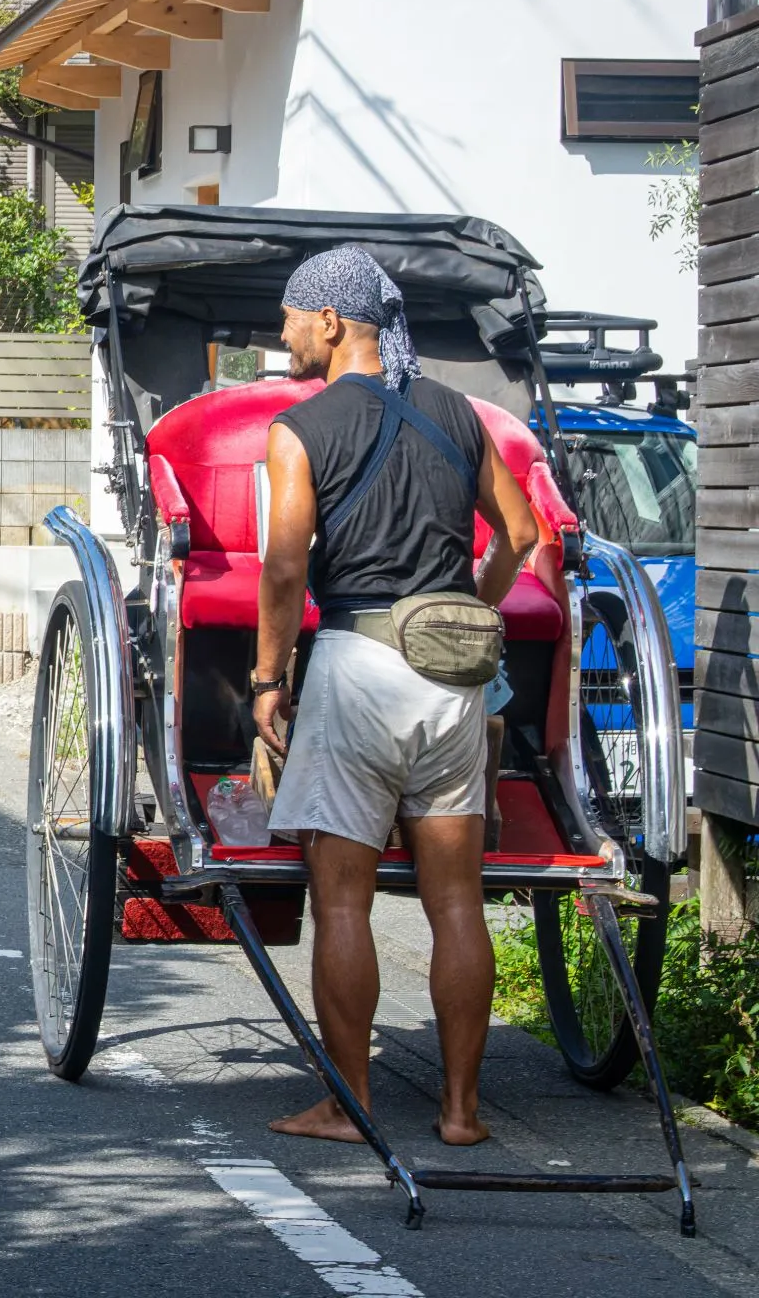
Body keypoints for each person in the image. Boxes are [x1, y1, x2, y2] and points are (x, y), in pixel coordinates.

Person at [251, 246, 541, 1150]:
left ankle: (348, 1104)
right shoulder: (461, 413)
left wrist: (267, 678)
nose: (286, 334)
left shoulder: (301, 428)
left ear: (331, 323)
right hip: (456, 687)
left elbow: (287, 565)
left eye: (293, 317)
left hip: (356, 673)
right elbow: (522, 532)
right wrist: (466, 613)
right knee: (456, 900)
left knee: (343, 902)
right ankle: (461, 1113)